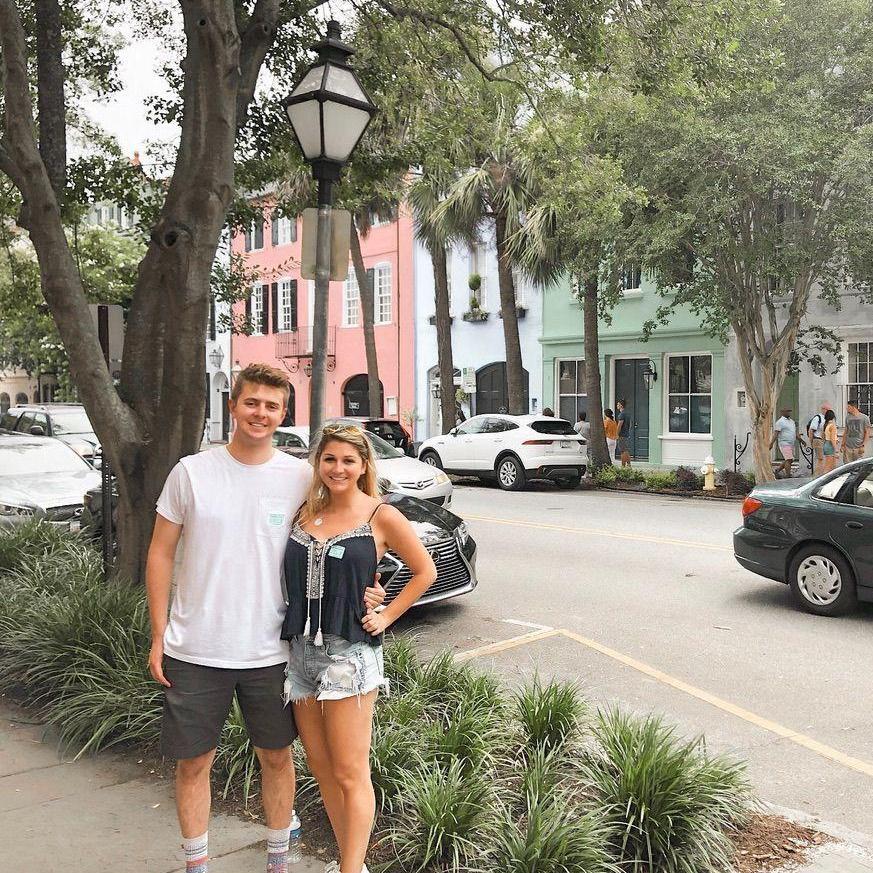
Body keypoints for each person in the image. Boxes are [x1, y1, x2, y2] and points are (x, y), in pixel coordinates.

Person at [146, 364, 384, 873]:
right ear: (234, 406)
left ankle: (279, 858)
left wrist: (372, 585)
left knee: (277, 758)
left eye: (272, 406)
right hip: (195, 648)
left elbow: (355, 526)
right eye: (252, 402)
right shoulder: (191, 472)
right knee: (193, 765)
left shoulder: (300, 477)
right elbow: (161, 553)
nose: (261, 413)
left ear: (283, 413)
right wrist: (157, 634)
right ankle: (197, 864)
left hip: (276, 651)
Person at [281, 423, 436, 873]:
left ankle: (350, 870)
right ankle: (350, 861)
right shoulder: (304, 514)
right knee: (323, 769)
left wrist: (385, 613)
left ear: (364, 465)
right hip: (301, 658)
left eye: (349, 460)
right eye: (329, 459)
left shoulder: (379, 516)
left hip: (348, 657)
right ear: (318, 463)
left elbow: (423, 570)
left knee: (351, 773)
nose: (338, 468)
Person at [770, 408, 803, 478]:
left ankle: (777, 470)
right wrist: (771, 443)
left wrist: (801, 440)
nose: (789, 413)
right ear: (782, 412)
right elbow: (776, 434)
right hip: (784, 443)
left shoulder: (792, 422)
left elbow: (794, 433)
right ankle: (788, 475)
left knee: (790, 460)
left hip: (791, 444)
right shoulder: (780, 422)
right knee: (789, 459)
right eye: (787, 411)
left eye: (789, 411)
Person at [841, 397, 871, 463]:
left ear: (853, 407)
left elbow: (867, 433)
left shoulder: (864, 418)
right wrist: (842, 444)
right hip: (848, 447)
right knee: (847, 467)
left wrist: (863, 445)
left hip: (858, 447)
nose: (846, 408)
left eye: (848, 407)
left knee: (858, 467)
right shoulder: (848, 417)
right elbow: (846, 431)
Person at [806, 403, 831, 475]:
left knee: (822, 458)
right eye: (828, 410)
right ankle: (816, 475)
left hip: (824, 441)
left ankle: (819, 474)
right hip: (818, 440)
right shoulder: (817, 418)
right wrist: (811, 442)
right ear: (824, 409)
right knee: (820, 459)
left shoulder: (826, 418)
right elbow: (811, 430)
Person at [615, 399, 631, 467]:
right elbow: (630, 424)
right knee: (626, 450)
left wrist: (617, 434)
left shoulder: (621, 415)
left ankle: (623, 466)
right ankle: (629, 465)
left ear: (621, 405)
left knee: (622, 451)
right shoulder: (627, 414)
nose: (617, 406)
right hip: (626, 434)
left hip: (621, 435)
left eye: (618, 404)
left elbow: (619, 425)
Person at [822, 408, 839, 472]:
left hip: (826, 443)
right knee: (829, 466)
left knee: (831, 465)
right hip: (830, 445)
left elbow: (823, 436)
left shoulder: (826, 425)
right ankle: (824, 480)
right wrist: (836, 449)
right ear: (833, 417)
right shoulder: (832, 426)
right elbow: (832, 439)